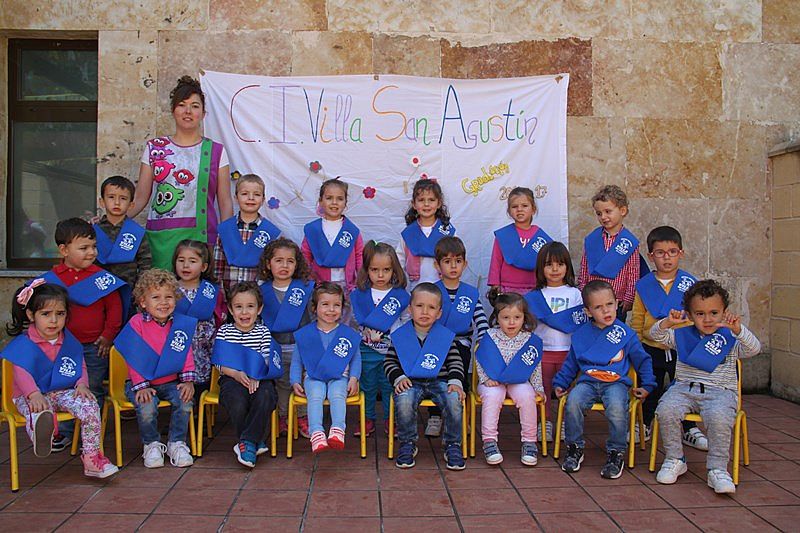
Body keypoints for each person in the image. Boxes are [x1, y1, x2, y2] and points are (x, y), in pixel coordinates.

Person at [652, 280, 761, 494]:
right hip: (684, 388)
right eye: (700, 314)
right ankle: (675, 458)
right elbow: (656, 336)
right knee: (666, 410)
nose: (707, 319)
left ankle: (718, 469)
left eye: (713, 312)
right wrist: (667, 322)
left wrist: (739, 330)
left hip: (720, 392)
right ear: (690, 315)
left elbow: (754, 349)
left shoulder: (730, 338)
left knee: (719, 417)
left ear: (724, 313)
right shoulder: (682, 335)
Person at [2, 281, 118, 478]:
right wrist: (34, 394)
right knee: (39, 410)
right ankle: (42, 432)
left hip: (60, 391)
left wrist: (82, 384)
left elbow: (78, 364)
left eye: (60, 314)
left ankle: (91, 459)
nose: (54, 321)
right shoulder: (24, 343)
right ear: (31, 315)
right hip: (29, 395)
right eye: (46, 314)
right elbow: (21, 373)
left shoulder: (68, 340)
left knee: (89, 405)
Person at [129, 75, 233, 269]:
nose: (188, 111)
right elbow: (141, 198)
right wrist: (112, 221)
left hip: (200, 238)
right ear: (173, 110)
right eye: (182, 105)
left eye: (195, 106)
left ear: (203, 113)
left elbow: (225, 202)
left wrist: (227, 240)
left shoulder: (216, 151)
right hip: (162, 238)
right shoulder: (155, 148)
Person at [554, 280, 655, 479]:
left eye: (609, 304)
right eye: (598, 307)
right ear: (589, 312)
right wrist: (561, 383)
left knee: (617, 408)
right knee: (573, 403)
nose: (606, 311)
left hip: (616, 383)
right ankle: (575, 447)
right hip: (587, 382)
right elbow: (571, 363)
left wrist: (648, 385)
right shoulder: (581, 335)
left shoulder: (625, 334)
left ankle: (616, 452)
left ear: (617, 303)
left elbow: (642, 361)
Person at [42, 218, 126, 451]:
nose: (91, 253)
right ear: (64, 250)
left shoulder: (101, 278)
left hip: (94, 346)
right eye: (84, 248)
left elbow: (115, 308)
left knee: (93, 390)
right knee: (61, 389)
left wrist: (108, 335)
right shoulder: (52, 279)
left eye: (93, 247)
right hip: (62, 348)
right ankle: (66, 432)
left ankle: (90, 437)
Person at [631, 226, 706, 448]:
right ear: (651, 255)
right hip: (650, 347)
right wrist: (635, 348)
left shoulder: (689, 284)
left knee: (684, 387)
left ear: (681, 253)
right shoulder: (644, 285)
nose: (667, 258)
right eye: (661, 253)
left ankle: (689, 428)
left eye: (672, 252)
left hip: (681, 348)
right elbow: (637, 318)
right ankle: (644, 423)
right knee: (649, 386)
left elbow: (697, 317)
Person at [113, 269, 196, 468]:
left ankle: (177, 442)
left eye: (169, 297)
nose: (163, 302)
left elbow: (186, 353)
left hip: (171, 381)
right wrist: (141, 386)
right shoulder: (136, 324)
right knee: (147, 407)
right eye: (156, 297)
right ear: (143, 302)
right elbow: (132, 358)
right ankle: (151, 444)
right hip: (140, 383)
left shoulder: (179, 324)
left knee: (184, 402)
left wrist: (187, 381)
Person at [385, 283, 466, 470]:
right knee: (404, 400)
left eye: (431, 307)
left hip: (440, 381)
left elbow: (456, 361)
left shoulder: (445, 336)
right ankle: (407, 443)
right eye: (420, 306)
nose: (425, 312)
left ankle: (453, 445)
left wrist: (455, 381)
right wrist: (399, 378)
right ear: (410, 308)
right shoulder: (400, 336)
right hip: (411, 383)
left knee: (454, 400)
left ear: (439, 313)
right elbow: (389, 362)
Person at [212, 282, 279, 468]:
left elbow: (266, 359)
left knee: (265, 396)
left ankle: (247, 442)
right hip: (231, 378)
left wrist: (256, 376)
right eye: (238, 307)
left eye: (250, 307)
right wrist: (235, 373)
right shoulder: (224, 332)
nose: (244, 313)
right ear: (231, 311)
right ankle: (253, 441)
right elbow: (219, 361)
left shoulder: (263, 332)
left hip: (258, 377)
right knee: (237, 400)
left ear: (259, 309)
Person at [524, 241, 585, 441]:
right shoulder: (534, 296)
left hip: (568, 352)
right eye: (549, 264)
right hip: (543, 352)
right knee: (543, 391)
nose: (555, 269)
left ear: (568, 266)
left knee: (567, 392)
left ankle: (567, 423)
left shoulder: (575, 294)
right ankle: (545, 423)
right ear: (541, 268)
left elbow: (580, 324)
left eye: (560, 264)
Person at [476, 292, 545, 466]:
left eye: (517, 317)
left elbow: (535, 365)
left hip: (519, 380)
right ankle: (489, 441)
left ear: (524, 317)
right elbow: (480, 358)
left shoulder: (529, 339)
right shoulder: (490, 336)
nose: (511, 322)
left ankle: (529, 442)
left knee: (527, 396)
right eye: (506, 317)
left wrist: (538, 387)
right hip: (492, 380)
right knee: (493, 396)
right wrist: (485, 379)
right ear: (497, 318)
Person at [429, 236, 488, 438]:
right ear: (437, 265)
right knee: (433, 377)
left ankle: (458, 416)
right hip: (434, 344)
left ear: (465, 263)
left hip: (461, 344)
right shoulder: (432, 291)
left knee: (458, 377)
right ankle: (434, 416)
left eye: (458, 261)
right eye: (447, 261)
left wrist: (485, 338)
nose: (453, 266)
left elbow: (480, 318)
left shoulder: (470, 293)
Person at [292, 283, 362, 453]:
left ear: (342, 308)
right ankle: (316, 432)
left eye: (336, 305)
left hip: (340, 377)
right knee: (315, 395)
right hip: (313, 377)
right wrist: (294, 381)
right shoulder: (305, 334)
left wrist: (354, 378)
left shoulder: (348, 334)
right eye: (325, 304)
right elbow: (296, 361)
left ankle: (338, 430)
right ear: (315, 308)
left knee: (337, 394)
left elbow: (356, 359)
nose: (331, 310)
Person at [350, 241, 410, 437]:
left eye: (386, 270)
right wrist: (366, 331)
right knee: (367, 386)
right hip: (366, 349)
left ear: (395, 270)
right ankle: (366, 419)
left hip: (391, 351)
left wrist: (390, 332)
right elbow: (353, 320)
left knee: (389, 386)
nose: (381, 275)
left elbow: (406, 321)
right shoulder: (359, 294)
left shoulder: (400, 296)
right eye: (375, 270)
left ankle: (389, 419)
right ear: (367, 270)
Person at [258, 237, 314, 438]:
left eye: (290, 261)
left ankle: (303, 417)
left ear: (297, 264)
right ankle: (283, 416)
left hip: (302, 348)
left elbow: (314, 318)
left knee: (303, 382)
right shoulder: (262, 291)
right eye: (278, 260)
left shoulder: (306, 288)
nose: (284, 265)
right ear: (268, 263)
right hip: (275, 348)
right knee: (282, 384)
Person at [172, 239, 226, 404]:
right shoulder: (170, 290)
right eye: (181, 261)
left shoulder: (211, 291)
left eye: (192, 261)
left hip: (204, 349)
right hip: (177, 347)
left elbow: (219, 317)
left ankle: (199, 419)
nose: (186, 266)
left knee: (201, 389)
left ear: (203, 267)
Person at [577, 185, 640, 322]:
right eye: (599, 213)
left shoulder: (628, 242)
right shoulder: (592, 239)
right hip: (594, 301)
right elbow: (584, 267)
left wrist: (629, 298)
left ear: (622, 210)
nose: (603, 217)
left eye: (608, 211)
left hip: (617, 302)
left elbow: (633, 272)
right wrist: (582, 290)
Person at [93, 175, 152, 313]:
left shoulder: (136, 232)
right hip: (99, 289)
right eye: (111, 197)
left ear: (131, 205)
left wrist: (139, 289)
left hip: (128, 291)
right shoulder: (93, 231)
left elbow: (145, 262)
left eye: (123, 198)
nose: (117, 203)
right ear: (102, 202)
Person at [213, 174, 280, 293]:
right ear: (236, 197)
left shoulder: (269, 232)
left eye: (257, 194)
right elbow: (217, 266)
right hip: (228, 294)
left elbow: (270, 269)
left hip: (257, 297)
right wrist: (220, 292)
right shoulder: (225, 229)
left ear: (263, 199)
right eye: (244, 194)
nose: (251, 198)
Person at [302, 178, 364, 291]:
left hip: (346, 286)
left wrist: (361, 281)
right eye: (329, 198)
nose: (334, 202)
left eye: (340, 199)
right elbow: (305, 256)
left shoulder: (352, 231)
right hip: (320, 286)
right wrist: (310, 279)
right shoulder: (312, 229)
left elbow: (359, 257)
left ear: (345, 203)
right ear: (320, 201)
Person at [489, 187, 552, 295]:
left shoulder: (540, 235)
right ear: (509, 211)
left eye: (524, 206)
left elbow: (547, 262)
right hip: (508, 287)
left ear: (533, 209)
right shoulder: (504, 234)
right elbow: (496, 261)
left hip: (534, 286)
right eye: (514, 206)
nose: (519, 209)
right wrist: (495, 284)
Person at [396, 179, 456, 289]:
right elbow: (399, 261)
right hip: (416, 287)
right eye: (421, 200)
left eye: (431, 200)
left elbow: (456, 260)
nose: (426, 204)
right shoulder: (408, 233)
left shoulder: (448, 232)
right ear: (413, 204)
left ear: (439, 203)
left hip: (443, 287)